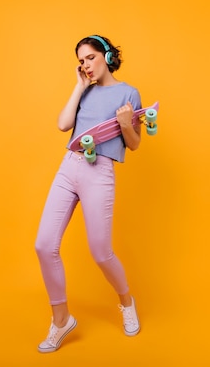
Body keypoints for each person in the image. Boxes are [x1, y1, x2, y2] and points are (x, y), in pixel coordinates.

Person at [34, 35, 142, 353]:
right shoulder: (85, 91)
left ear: (107, 56)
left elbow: (134, 144)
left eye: (91, 57)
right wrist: (79, 86)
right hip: (69, 167)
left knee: (100, 252)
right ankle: (61, 319)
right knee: (43, 245)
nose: (86, 65)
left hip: (100, 172)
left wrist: (125, 124)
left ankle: (126, 302)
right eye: (81, 60)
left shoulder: (128, 93)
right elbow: (63, 124)